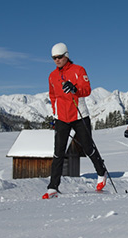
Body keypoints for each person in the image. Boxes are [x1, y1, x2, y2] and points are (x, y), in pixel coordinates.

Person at [42, 42, 107, 199]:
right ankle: (53, 187)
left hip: (79, 115)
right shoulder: (52, 76)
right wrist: (55, 112)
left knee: (87, 147)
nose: (56, 60)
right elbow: (53, 96)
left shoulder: (78, 70)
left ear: (66, 56)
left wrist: (75, 89)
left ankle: (101, 172)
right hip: (61, 118)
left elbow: (87, 90)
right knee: (58, 152)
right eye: (54, 58)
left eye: (59, 57)